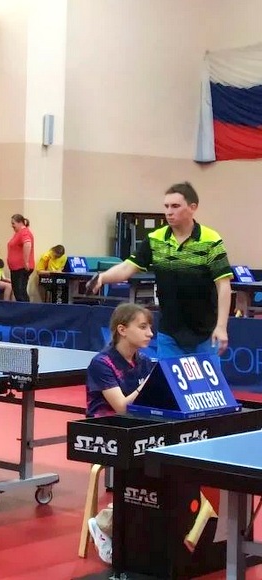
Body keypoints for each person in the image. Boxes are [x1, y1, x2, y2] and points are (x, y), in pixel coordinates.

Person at [89, 182, 232, 357]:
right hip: (169, 333)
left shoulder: (211, 240)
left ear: (193, 207)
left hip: (205, 334)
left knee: (207, 377)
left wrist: (221, 327)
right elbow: (127, 267)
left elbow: (223, 285)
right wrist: (102, 277)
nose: (169, 212)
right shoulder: (155, 239)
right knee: (167, 376)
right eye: (166, 206)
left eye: (175, 206)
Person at [85, 303, 155, 565]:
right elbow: (122, 407)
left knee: (169, 465)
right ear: (122, 330)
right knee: (148, 468)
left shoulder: (143, 362)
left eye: (150, 327)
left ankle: (122, 524)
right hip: (106, 430)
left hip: (135, 428)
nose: (150, 333)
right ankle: (104, 526)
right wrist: (148, 386)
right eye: (143, 327)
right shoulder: (102, 363)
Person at [6, 214, 35, 302]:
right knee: (18, 292)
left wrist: (26, 261)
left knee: (20, 292)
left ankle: (25, 309)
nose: (12, 225)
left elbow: (27, 244)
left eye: (13, 223)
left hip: (21, 268)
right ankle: (23, 309)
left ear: (20, 223)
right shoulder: (18, 233)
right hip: (16, 268)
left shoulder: (24, 232)